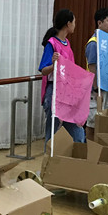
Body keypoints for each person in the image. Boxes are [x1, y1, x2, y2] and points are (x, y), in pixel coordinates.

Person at [38, 9, 85, 143]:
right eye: (74, 22)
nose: (75, 25)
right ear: (68, 24)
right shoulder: (51, 44)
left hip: (66, 91)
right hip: (54, 91)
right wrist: (54, 65)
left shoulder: (67, 43)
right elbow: (44, 70)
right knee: (52, 130)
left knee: (77, 130)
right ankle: (50, 154)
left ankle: (78, 150)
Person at [84, 8, 108, 141]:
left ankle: (104, 148)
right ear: (99, 23)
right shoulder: (94, 43)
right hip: (96, 90)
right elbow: (92, 68)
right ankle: (90, 149)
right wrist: (96, 89)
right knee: (93, 122)